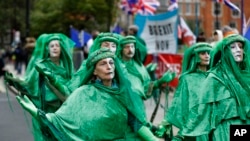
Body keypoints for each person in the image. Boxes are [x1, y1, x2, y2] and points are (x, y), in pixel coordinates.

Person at [16, 48, 159, 141]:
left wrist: (154, 139)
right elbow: (62, 120)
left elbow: (136, 123)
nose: (109, 67)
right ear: (94, 71)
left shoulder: (124, 93)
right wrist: (37, 113)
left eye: (111, 63)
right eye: (103, 64)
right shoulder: (84, 94)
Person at [177, 34, 250, 140]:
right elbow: (202, 111)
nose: (238, 50)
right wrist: (183, 134)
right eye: (233, 47)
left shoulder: (247, 76)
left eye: (240, 46)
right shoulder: (214, 78)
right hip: (225, 132)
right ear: (225, 51)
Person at [5, 33, 75, 141]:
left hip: (62, 113)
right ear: (47, 49)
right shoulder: (40, 66)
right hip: (44, 111)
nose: (55, 48)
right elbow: (29, 84)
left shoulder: (66, 68)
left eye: (57, 45)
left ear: (62, 48)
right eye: (52, 46)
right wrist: (16, 82)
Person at [155, 43, 213, 140]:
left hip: (212, 126)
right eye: (203, 53)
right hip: (193, 125)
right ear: (195, 57)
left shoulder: (214, 78)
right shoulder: (187, 78)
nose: (207, 56)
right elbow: (178, 101)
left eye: (208, 53)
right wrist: (166, 123)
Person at [117, 36, 176, 118]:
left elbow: (144, 88)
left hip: (138, 106)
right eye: (126, 47)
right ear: (121, 49)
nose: (130, 50)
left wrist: (160, 81)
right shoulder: (116, 65)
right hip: (122, 108)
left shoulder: (138, 65)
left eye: (132, 46)